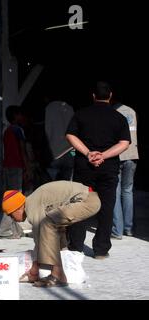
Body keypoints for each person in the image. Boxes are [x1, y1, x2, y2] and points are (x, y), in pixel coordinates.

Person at [65, 81, 130, 259]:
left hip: (84, 167)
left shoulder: (81, 114)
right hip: (108, 169)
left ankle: (76, 246)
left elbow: (70, 135)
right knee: (107, 207)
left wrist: (88, 153)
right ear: (110, 96)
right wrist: (104, 155)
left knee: (79, 205)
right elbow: (124, 143)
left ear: (93, 96)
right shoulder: (119, 118)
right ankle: (101, 250)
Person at [2, 180, 101, 287]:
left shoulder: (32, 206)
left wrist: (34, 269)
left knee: (48, 223)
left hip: (86, 200)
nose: (13, 219)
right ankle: (59, 271)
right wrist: (63, 253)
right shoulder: (34, 201)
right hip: (88, 198)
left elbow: (39, 237)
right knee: (52, 224)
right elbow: (56, 234)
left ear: (18, 208)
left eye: (11, 215)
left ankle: (58, 274)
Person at [0, 105, 29, 239]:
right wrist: (27, 166)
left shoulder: (6, 131)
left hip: (7, 167)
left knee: (12, 197)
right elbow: (22, 149)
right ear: (16, 116)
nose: (23, 117)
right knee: (16, 200)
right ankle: (4, 230)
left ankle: (16, 231)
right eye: (21, 114)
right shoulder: (18, 130)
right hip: (16, 166)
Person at [111, 102, 139, 239]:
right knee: (128, 191)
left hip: (117, 155)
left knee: (115, 191)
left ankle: (117, 230)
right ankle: (128, 228)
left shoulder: (112, 112)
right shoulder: (132, 111)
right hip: (132, 155)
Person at [44, 100, 75, 181]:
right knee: (67, 182)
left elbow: (47, 130)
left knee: (53, 183)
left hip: (54, 153)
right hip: (70, 151)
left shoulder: (49, 108)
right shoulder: (69, 108)